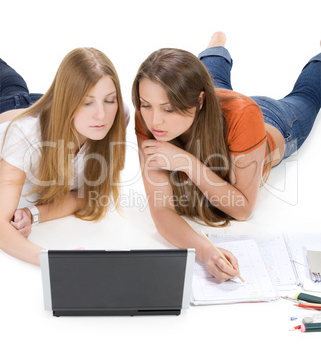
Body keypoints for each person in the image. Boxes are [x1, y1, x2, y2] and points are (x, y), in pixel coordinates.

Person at [133, 31, 321, 282]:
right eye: (146, 104)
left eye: (168, 108)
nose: (155, 120)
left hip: (272, 119)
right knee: (213, 78)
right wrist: (206, 251)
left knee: (307, 95)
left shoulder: (241, 113)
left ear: (199, 102)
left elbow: (242, 209)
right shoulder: (150, 118)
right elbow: (162, 210)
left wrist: (187, 163)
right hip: (217, 106)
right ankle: (216, 45)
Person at [0, 48, 128, 265]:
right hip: (9, 111)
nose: (101, 114)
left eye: (109, 100)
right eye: (87, 102)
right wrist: (53, 260)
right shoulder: (25, 135)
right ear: (69, 101)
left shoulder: (115, 119)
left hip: (42, 105)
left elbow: (89, 196)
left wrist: (33, 214)